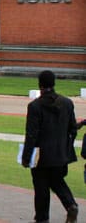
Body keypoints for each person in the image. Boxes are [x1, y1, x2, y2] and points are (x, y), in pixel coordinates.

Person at [21, 70, 79, 223]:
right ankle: (71, 205)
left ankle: (42, 219)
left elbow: (31, 135)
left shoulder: (34, 106)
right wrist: (65, 147)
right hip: (60, 155)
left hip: (41, 156)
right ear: (54, 84)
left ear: (39, 85)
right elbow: (73, 129)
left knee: (41, 189)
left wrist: (26, 158)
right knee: (58, 181)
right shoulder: (67, 103)